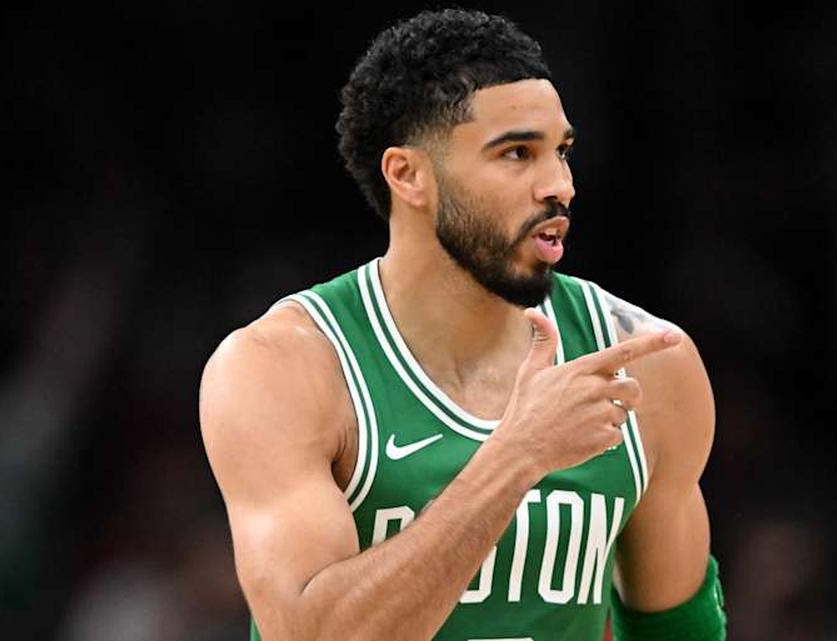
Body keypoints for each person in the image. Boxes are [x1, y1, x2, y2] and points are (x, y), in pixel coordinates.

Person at [198, 9, 725, 641]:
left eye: (561, 152)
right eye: (517, 154)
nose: (559, 185)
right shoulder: (285, 367)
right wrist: (517, 455)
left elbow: (681, 632)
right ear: (408, 175)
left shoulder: (647, 362)